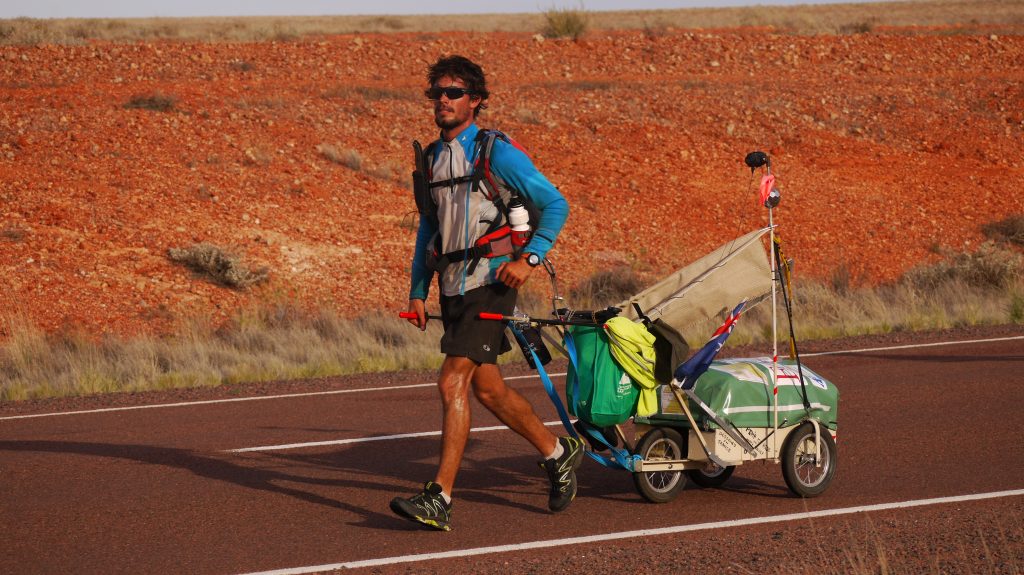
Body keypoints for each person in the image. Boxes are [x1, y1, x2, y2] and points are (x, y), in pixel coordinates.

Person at [390, 55, 582, 532]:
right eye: (436, 92)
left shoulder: (496, 152)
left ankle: (440, 497)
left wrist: (529, 259)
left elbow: (554, 203)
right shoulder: (432, 158)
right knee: (488, 388)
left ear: (475, 100)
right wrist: (418, 291)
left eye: (453, 92)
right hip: (453, 285)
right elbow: (428, 232)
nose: (443, 100)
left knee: (451, 381)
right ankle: (558, 451)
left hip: (493, 282)